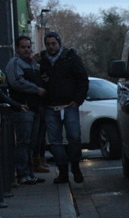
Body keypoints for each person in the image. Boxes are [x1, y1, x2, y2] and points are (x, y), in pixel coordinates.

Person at [39, 31, 89, 184]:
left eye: (53, 43)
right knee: (55, 141)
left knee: (74, 137)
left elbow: (82, 79)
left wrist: (77, 100)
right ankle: (63, 172)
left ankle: (75, 167)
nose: (51, 47)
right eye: (48, 44)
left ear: (59, 43)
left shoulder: (70, 57)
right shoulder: (42, 60)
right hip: (50, 106)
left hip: (69, 105)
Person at [6, 36, 47, 185]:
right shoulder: (15, 63)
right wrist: (36, 90)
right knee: (24, 142)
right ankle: (23, 174)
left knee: (31, 143)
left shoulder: (31, 64)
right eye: (23, 47)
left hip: (34, 108)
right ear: (17, 48)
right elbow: (16, 82)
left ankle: (29, 173)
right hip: (23, 108)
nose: (27, 50)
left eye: (28, 47)